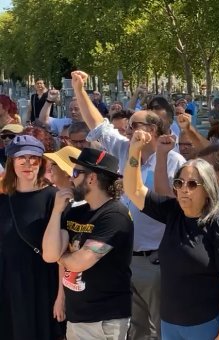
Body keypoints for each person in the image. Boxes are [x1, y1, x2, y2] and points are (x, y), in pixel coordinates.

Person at [71, 70, 187, 339]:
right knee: (133, 330)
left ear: (155, 131)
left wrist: (158, 158)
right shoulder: (121, 148)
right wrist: (79, 89)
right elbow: (96, 123)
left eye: (137, 125)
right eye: (129, 125)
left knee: (160, 327)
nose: (129, 130)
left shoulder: (174, 162)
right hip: (121, 257)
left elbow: (168, 207)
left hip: (156, 259)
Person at [124, 130, 219, 340]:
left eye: (192, 184)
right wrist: (135, 149)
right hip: (171, 325)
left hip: (208, 325)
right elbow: (134, 190)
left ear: (207, 188)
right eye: (179, 183)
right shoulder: (173, 212)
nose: (183, 190)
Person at [42, 148, 133, 340]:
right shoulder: (75, 212)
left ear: (91, 178)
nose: (71, 179)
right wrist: (57, 211)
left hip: (105, 320)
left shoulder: (115, 215)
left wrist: (62, 256)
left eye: (75, 173)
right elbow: (49, 255)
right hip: (77, 316)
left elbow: (80, 262)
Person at [0, 135, 65, 339]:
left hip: (43, 287)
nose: (28, 164)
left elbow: (64, 254)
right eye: (21, 158)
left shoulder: (55, 197)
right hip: (7, 288)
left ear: (42, 161)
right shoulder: (3, 200)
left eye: (33, 158)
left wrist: (61, 297)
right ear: (12, 162)